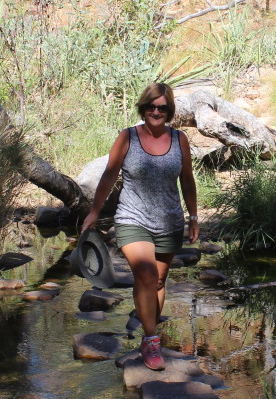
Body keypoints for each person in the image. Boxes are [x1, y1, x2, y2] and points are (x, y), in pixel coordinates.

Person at [80, 82, 198, 371]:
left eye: (162, 108)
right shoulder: (127, 138)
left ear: (169, 111)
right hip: (132, 219)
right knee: (144, 275)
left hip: (169, 220)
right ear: (142, 107)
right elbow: (108, 175)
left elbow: (187, 179)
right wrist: (94, 211)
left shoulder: (179, 139)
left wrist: (194, 217)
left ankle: (147, 323)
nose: (156, 112)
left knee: (158, 280)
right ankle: (150, 340)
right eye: (151, 106)